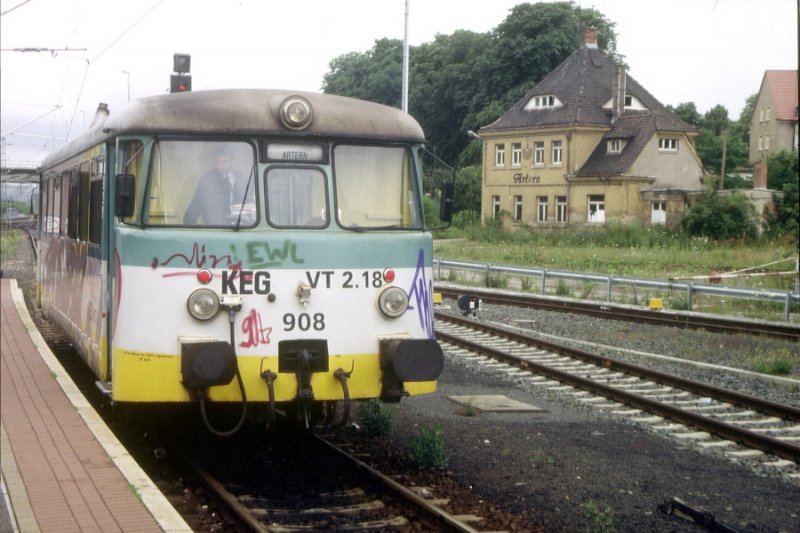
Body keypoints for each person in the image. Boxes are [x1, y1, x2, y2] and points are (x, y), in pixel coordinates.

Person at [183, 145, 250, 224]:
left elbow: (250, 204)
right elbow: (195, 205)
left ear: (232, 161)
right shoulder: (207, 179)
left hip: (241, 229)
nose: (221, 166)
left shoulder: (242, 179)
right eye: (218, 162)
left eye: (224, 162)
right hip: (215, 229)